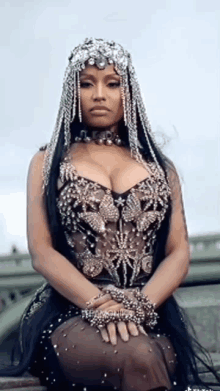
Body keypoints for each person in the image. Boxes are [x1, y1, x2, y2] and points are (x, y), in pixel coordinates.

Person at [0, 38, 219, 391]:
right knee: (138, 356)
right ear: (72, 93)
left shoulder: (162, 168)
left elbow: (179, 254)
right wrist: (101, 305)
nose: (99, 94)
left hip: (149, 317)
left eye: (112, 83)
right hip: (74, 314)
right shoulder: (47, 162)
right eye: (86, 84)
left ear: (128, 93)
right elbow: (41, 253)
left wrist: (139, 307)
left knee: (145, 352)